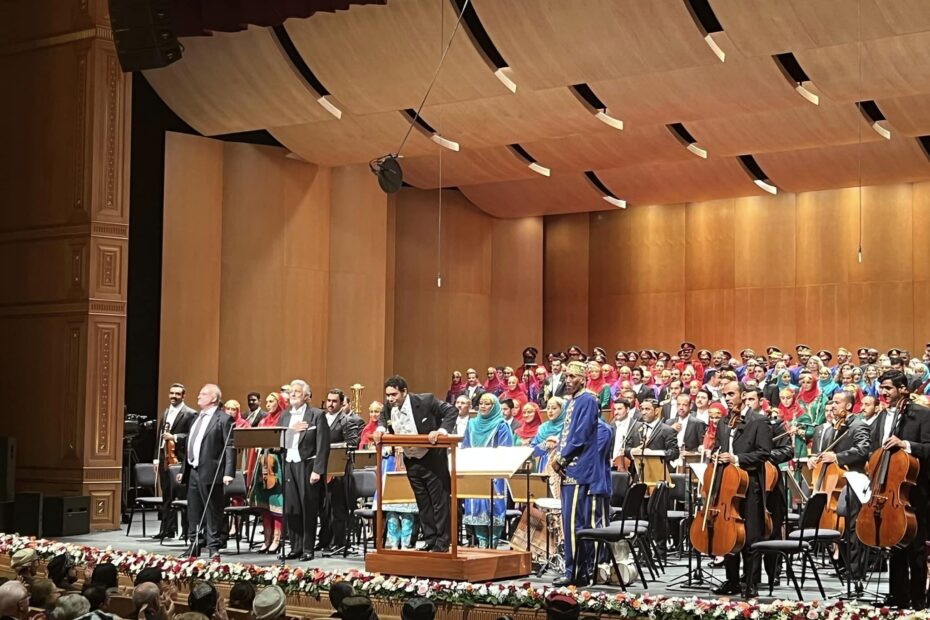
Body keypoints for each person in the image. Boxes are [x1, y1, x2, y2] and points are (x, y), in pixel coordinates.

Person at [373, 375, 457, 552]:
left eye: (394, 394)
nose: (390, 398)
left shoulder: (426, 400)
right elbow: (382, 418)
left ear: (404, 391)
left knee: (438, 502)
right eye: (388, 395)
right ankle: (430, 539)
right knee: (422, 502)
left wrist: (441, 431)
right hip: (411, 459)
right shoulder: (389, 406)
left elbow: (451, 411)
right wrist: (380, 429)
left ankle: (443, 541)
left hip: (432, 458)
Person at [872, 370, 930, 609]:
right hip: (889, 492)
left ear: (903, 389)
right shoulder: (883, 417)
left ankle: (918, 602)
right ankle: (898, 598)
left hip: (916, 492)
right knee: (893, 547)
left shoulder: (922, 415)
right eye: (881, 388)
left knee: (916, 550)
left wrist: (906, 444)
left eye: (888, 388)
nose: (883, 393)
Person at [711, 381, 772, 598]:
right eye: (724, 394)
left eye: (731, 394)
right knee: (728, 533)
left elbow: (764, 453)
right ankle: (732, 581)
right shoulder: (724, 422)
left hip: (749, 485)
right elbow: (719, 447)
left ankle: (751, 582)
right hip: (726, 486)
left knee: (751, 536)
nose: (727, 398)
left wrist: (737, 459)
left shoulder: (759, 421)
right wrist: (715, 455)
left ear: (743, 395)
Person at [550, 361, 605, 586]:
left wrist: (562, 458)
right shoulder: (573, 400)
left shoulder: (588, 400)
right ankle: (576, 570)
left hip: (578, 468)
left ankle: (575, 571)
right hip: (569, 469)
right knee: (570, 522)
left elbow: (580, 435)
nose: (568, 380)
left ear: (583, 378)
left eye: (573, 376)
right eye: (566, 376)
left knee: (574, 524)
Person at [177, 383, 236, 560]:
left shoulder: (223, 419)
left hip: (212, 471)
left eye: (203, 394)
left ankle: (213, 546)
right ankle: (194, 544)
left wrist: (229, 472)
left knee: (212, 510)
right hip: (193, 471)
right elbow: (190, 443)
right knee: (193, 510)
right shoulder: (197, 417)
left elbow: (230, 446)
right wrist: (184, 468)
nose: (198, 396)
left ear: (213, 398)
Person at [281, 379, 330, 561]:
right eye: (291, 391)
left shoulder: (317, 415)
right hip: (289, 463)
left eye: (297, 392)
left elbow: (323, 445)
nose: (293, 394)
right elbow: (277, 442)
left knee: (307, 506)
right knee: (292, 507)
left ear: (307, 396)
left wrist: (318, 470)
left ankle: (308, 548)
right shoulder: (285, 416)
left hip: (307, 465)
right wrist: (290, 431)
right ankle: (296, 546)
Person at [462, 393, 514, 547]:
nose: (483, 406)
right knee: (476, 506)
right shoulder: (471, 424)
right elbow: (465, 447)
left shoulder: (501, 425)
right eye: (481, 403)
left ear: (494, 406)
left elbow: (506, 449)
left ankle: (494, 544)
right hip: (475, 471)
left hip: (494, 472)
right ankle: (482, 544)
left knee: (494, 507)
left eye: (487, 404)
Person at [154, 383, 196, 539]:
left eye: (177, 394)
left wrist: (175, 437)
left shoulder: (191, 413)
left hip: (180, 459)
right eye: (171, 393)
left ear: (183, 396)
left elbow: (191, 435)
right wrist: (155, 458)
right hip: (165, 459)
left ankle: (187, 531)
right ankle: (167, 529)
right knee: (167, 495)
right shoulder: (166, 412)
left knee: (184, 495)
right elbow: (159, 436)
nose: (173, 396)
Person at [248, 392, 286, 554]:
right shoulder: (263, 421)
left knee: (276, 503)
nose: (269, 404)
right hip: (262, 462)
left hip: (275, 465)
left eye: (272, 401)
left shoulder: (282, 419)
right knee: (264, 505)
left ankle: (277, 539)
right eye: (268, 401)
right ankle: (267, 538)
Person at [531, 396, 565, 473]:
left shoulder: (568, 426)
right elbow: (533, 452)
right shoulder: (543, 428)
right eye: (548, 408)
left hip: (560, 467)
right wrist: (545, 444)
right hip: (543, 466)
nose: (550, 411)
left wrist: (557, 443)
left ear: (562, 410)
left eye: (554, 408)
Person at [223, 399, 252, 472]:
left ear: (237, 411)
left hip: (240, 454)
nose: (230, 412)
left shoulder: (244, 424)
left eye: (233, 409)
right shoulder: (221, 422)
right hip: (223, 454)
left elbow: (250, 439)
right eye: (228, 409)